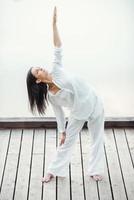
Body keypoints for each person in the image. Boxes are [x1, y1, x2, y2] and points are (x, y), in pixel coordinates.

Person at [26, 6, 105, 182]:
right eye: (38, 70)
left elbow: (58, 47)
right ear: (38, 80)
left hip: (95, 101)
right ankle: (52, 171)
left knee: (97, 138)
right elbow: (59, 114)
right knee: (66, 142)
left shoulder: (56, 69)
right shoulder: (52, 96)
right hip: (78, 112)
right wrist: (62, 131)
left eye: (39, 66)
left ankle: (95, 169)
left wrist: (54, 25)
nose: (41, 68)